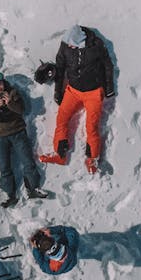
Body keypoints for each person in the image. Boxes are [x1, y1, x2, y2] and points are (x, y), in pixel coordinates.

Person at [40, 25, 114, 173]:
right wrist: (58, 91)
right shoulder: (65, 46)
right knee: (62, 118)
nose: (69, 46)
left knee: (91, 126)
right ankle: (60, 154)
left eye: (72, 45)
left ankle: (92, 160)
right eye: (68, 44)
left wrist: (109, 88)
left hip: (93, 92)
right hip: (73, 91)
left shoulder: (96, 45)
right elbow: (60, 69)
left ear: (81, 42)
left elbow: (107, 65)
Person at [0, 71, 47, 208]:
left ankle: (33, 188)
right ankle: (9, 194)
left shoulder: (12, 92)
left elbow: (21, 110)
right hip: (0, 136)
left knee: (28, 161)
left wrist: (10, 103)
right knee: (5, 167)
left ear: (3, 83)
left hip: (18, 132)